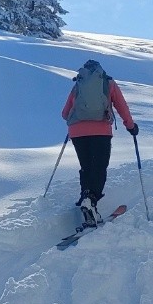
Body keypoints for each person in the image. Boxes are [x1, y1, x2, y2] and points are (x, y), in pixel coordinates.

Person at [60, 59, 138, 225]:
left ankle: (86, 197)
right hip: (100, 131)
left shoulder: (78, 84)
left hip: (77, 133)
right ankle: (91, 201)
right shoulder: (108, 83)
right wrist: (130, 126)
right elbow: (121, 106)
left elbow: (65, 113)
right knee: (99, 167)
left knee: (86, 167)